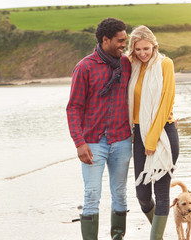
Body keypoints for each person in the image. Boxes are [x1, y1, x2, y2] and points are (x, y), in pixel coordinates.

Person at [66, 18, 132, 240]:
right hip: (93, 142)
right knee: (92, 194)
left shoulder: (126, 65)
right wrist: (79, 142)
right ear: (106, 40)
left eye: (125, 40)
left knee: (120, 194)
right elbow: (73, 108)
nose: (124, 44)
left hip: (122, 139)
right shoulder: (84, 67)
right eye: (120, 41)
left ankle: (117, 236)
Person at [127, 25, 179, 240]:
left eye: (146, 49)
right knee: (142, 194)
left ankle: (156, 237)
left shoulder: (165, 64)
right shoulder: (133, 66)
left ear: (154, 46)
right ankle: (159, 232)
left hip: (163, 133)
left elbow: (166, 102)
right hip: (138, 133)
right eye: (138, 49)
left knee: (162, 190)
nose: (142, 53)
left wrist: (152, 139)